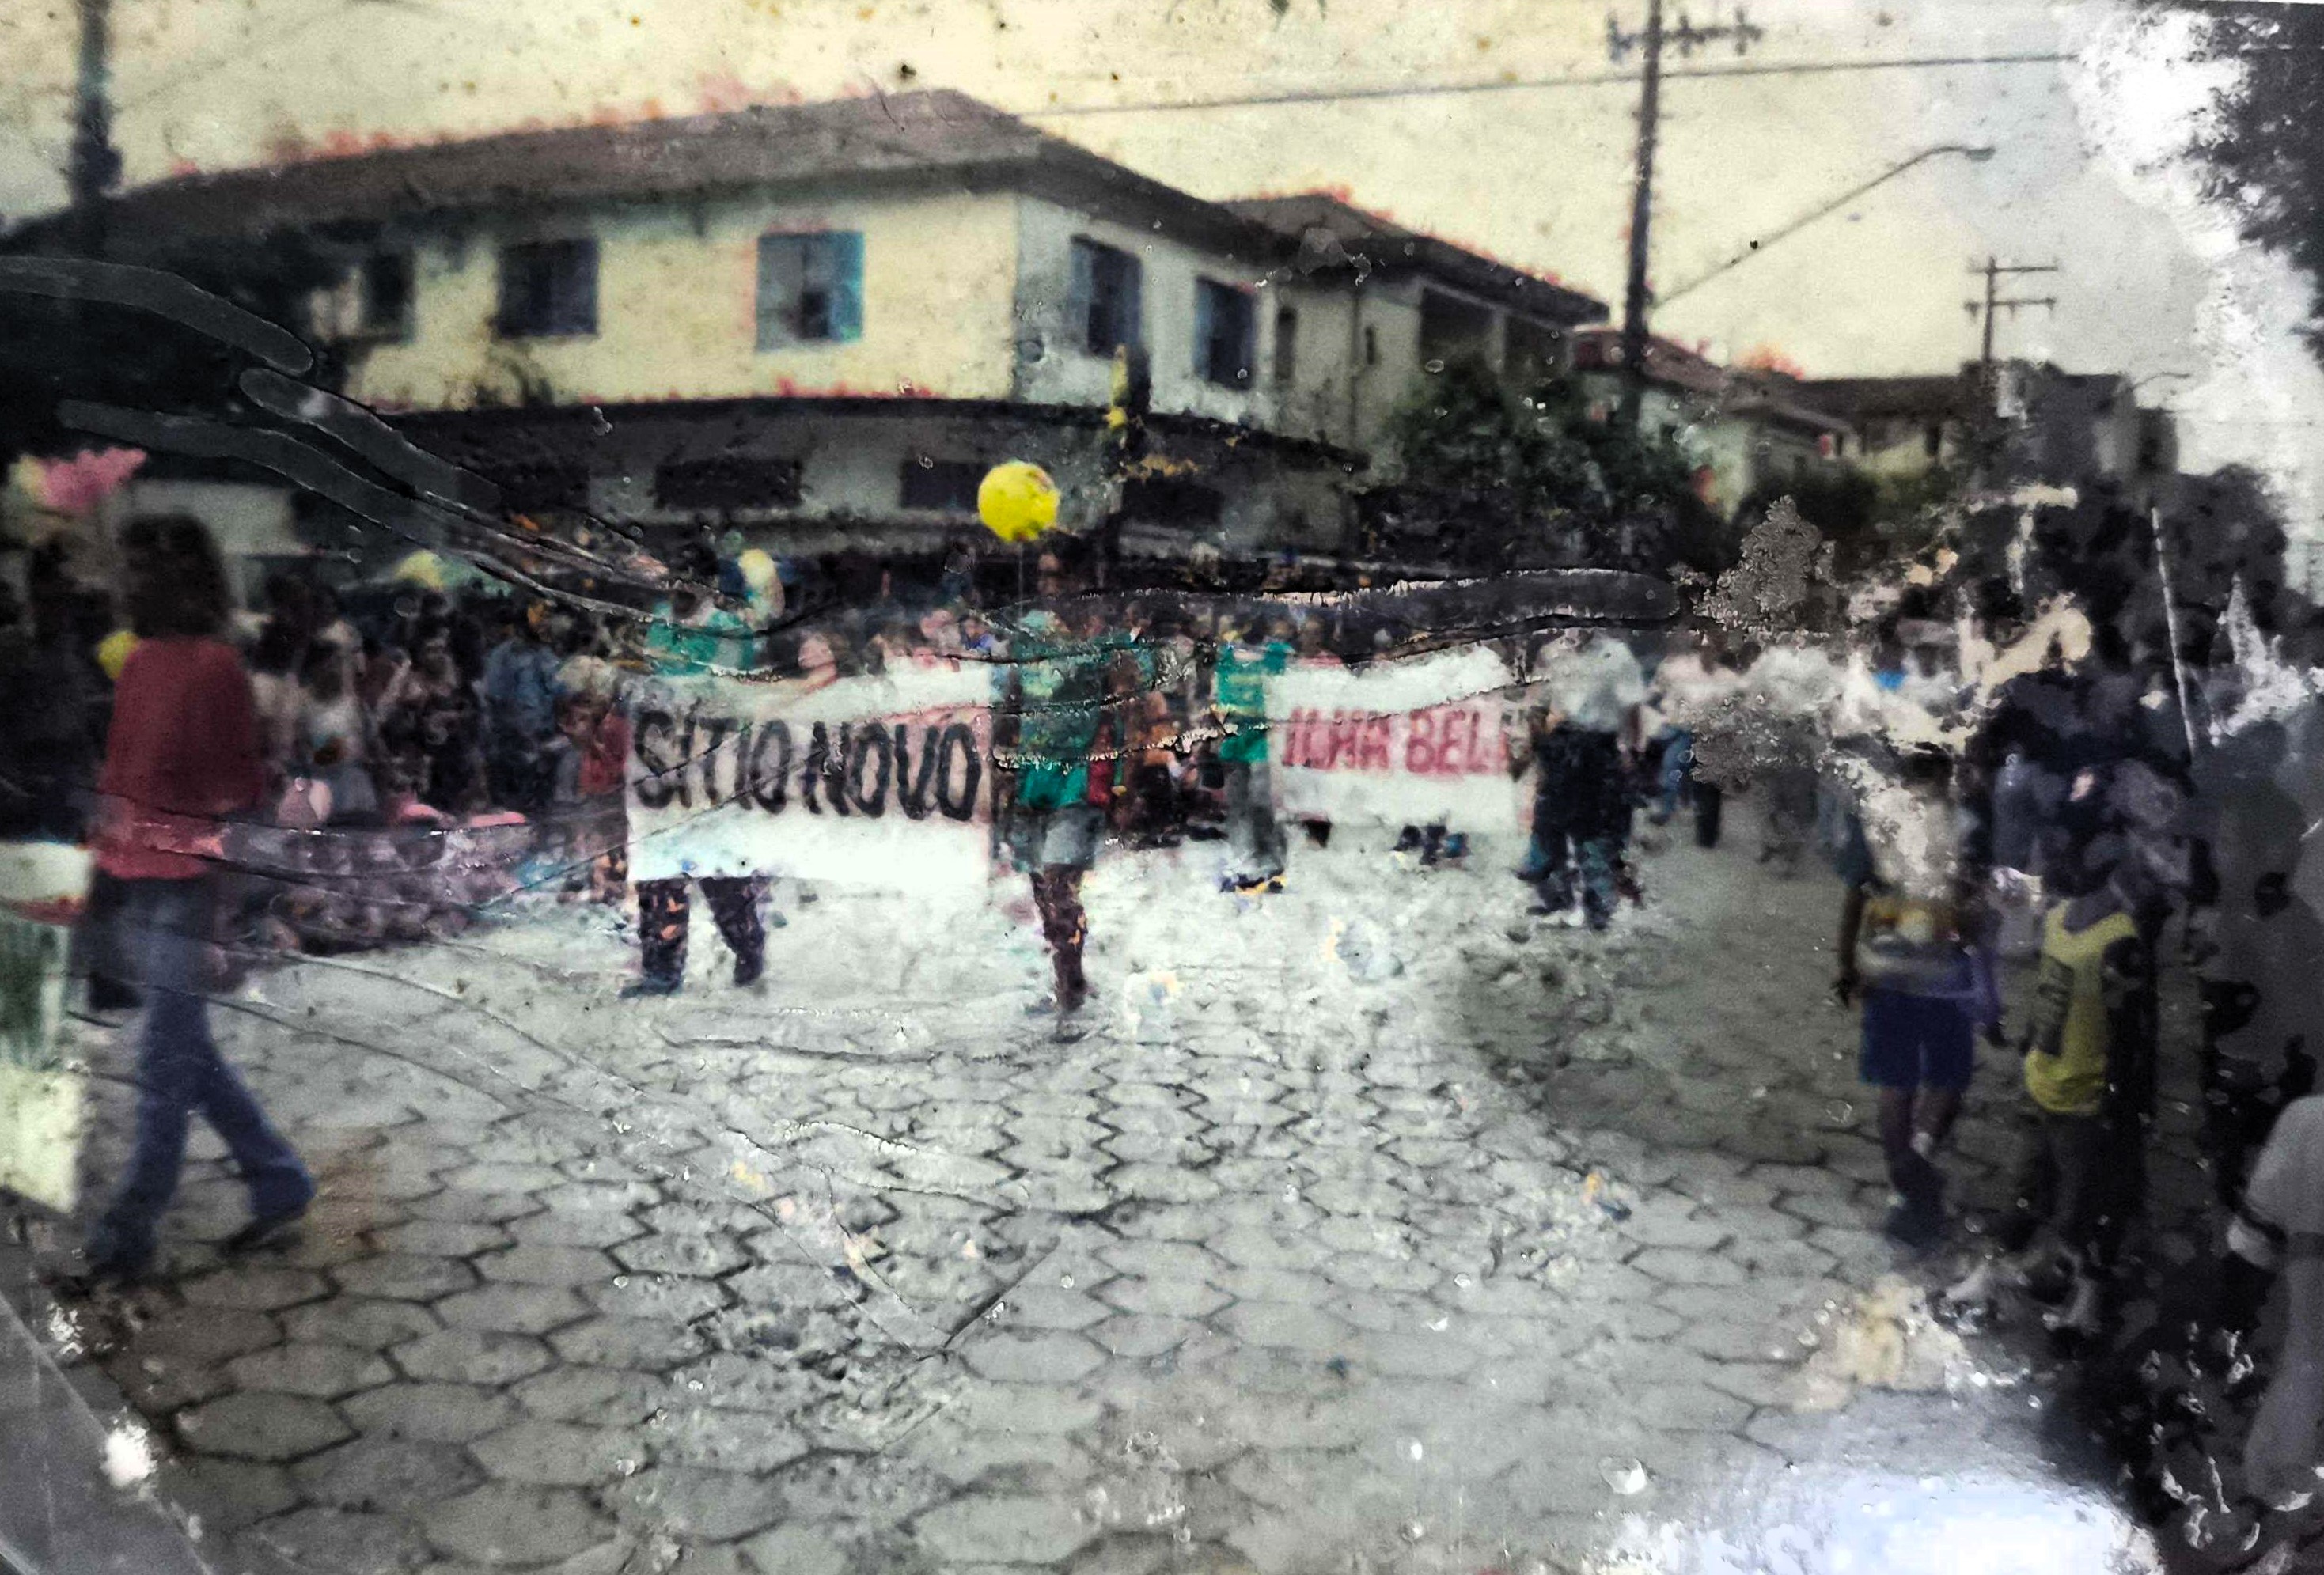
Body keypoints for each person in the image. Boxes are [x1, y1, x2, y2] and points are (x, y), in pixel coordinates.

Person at [78, 517, 313, 1283]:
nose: (136, 579)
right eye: (133, 566)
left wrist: (222, 911)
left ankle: (125, 1239)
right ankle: (280, 1180)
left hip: (187, 891)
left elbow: (234, 797)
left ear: (189, 578)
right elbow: (118, 778)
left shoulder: (216, 667)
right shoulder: (140, 662)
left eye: (152, 567)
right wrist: (98, 869)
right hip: (134, 883)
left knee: (162, 1068)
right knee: (185, 1055)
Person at [1947, 837, 2156, 1338]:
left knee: (2082, 1208)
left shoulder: (2121, 941)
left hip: (2086, 1102)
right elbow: (2050, 994)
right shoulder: (2059, 920)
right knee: (2024, 1191)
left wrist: (2120, 1107)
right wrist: (2031, 1046)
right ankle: (1989, 1279)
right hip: (2044, 1085)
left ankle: (2087, 1304)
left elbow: (2133, 1037)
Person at [1833, 748, 2000, 1248]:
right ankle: (1920, 1156)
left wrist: (1847, 965)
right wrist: (1987, 984)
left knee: (1895, 1083)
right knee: (1948, 1078)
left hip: (1885, 969)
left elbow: (1855, 896)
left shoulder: (1875, 813)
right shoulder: (1969, 823)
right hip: (1945, 973)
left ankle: (1902, 1189)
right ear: (1947, 768)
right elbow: (1976, 913)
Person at [998, 541, 1113, 1026]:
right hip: (1031, 777)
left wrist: (1120, 780)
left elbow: (1126, 706)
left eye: (1057, 576)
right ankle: (1071, 976)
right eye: (1043, 576)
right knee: (1042, 891)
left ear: (1079, 581)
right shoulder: (1027, 635)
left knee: (1060, 886)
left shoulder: (1104, 639)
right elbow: (1010, 699)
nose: (1048, 586)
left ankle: (1069, 992)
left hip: (1079, 779)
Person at [1518, 630, 1645, 929]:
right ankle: (1555, 896)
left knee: (1595, 829)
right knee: (1549, 824)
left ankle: (1599, 904)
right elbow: (1537, 705)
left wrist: (1634, 752)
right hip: (1561, 745)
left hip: (1600, 749)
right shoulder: (1551, 654)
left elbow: (1633, 708)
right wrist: (1538, 749)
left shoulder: (1617, 655)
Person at [1211, 614, 1291, 893]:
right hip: (1235, 736)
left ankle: (1273, 861)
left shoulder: (1278, 654)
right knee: (1237, 803)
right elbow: (1217, 695)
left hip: (1265, 736)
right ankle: (1243, 862)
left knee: (1261, 800)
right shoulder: (1227, 654)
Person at [481, 601, 563, 814]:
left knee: (545, 807)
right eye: (541, 617)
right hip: (514, 747)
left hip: (546, 743)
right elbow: (496, 700)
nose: (546, 623)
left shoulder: (548, 654)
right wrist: (521, 738)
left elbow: (558, 693)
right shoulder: (502, 656)